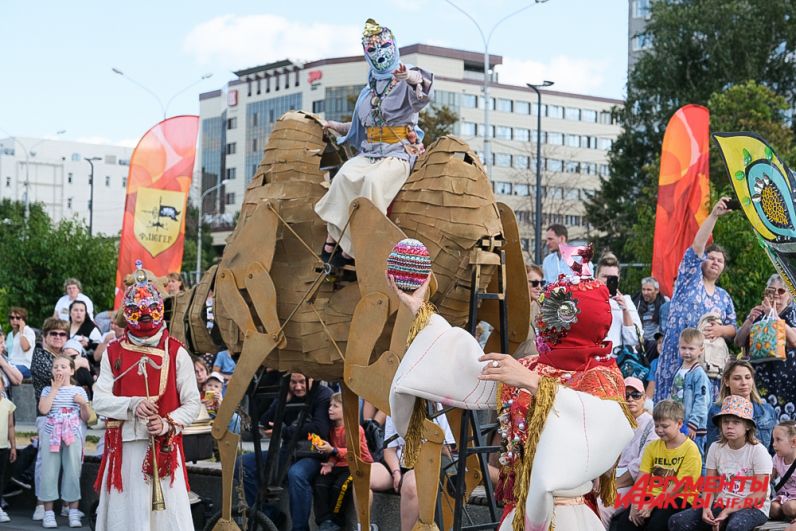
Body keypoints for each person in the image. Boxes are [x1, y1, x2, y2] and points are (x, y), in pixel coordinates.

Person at [315, 18, 433, 265]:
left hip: (399, 153)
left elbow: (421, 90)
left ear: (394, 46)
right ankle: (335, 239)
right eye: (372, 49)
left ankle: (357, 249)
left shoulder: (404, 78)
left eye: (384, 46)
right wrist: (334, 126)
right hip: (369, 154)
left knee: (372, 183)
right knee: (344, 177)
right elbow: (361, 127)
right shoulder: (368, 90)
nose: (379, 54)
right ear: (365, 54)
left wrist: (408, 76)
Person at [92, 262, 200, 531]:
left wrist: (167, 423)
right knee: (126, 517)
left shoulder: (177, 352)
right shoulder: (113, 352)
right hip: (126, 448)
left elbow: (193, 403)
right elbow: (99, 400)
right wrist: (133, 404)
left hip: (163, 447)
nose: (143, 318)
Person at [654, 197, 737, 402]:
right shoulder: (689, 280)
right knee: (670, 413)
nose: (715, 262)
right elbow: (697, 247)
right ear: (702, 262)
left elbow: (734, 328)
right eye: (711, 258)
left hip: (707, 366)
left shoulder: (723, 297)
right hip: (676, 357)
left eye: (720, 261)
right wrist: (714, 216)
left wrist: (721, 330)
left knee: (700, 415)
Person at [234, 372, 332, 531]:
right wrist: (280, 402)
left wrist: (284, 431)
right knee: (242, 465)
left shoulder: (323, 395)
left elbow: (319, 428)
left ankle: (300, 528)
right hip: (287, 451)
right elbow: (265, 421)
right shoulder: (287, 393)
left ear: (312, 378)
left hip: (314, 453)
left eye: (302, 382)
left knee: (297, 474)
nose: (298, 387)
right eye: (293, 382)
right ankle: (268, 516)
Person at [668, 395, 772, 530]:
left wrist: (728, 510)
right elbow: (710, 485)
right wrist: (706, 508)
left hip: (753, 507)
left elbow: (760, 494)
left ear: (747, 426)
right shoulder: (716, 447)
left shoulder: (758, 451)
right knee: (677, 521)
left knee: (735, 526)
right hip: (722, 502)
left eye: (736, 422)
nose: (729, 426)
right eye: (725, 422)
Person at [609, 400, 701, 530]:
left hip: (678, 497)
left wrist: (651, 505)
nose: (659, 430)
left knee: (655, 525)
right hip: (651, 494)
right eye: (656, 426)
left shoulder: (690, 449)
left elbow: (679, 485)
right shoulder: (652, 447)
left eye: (664, 426)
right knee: (626, 523)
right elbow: (643, 477)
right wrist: (635, 503)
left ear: (679, 424)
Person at [370, 411, 455, 531]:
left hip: (422, 465)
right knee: (363, 474)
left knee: (411, 486)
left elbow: (447, 450)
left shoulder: (435, 407)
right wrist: (396, 472)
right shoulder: (394, 406)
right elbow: (389, 450)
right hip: (396, 463)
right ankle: (363, 526)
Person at [38, 354, 90, 528]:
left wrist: (83, 404)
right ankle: (48, 512)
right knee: (49, 471)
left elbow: (87, 417)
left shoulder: (79, 391)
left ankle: (73, 512)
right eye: (56, 367)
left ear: (72, 370)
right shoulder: (47, 390)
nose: (59, 369)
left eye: (63, 366)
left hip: (72, 433)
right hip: (51, 432)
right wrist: (55, 389)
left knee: (73, 470)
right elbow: (44, 410)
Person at [736, 273, 796, 424]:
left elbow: (794, 340)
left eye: (781, 291)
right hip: (761, 378)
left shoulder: (793, 313)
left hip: (788, 380)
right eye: (771, 291)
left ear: (789, 295)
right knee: (760, 422)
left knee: (786, 429)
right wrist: (750, 320)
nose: (776, 294)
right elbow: (739, 341)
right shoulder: (759, 313)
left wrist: (774, 316)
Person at [599, 377, 658, 526]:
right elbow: (604, 454)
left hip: (634, 482)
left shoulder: (652, 425)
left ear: (644, 398)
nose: (631, 399)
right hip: (610, 477)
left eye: (636, 395)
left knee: (602, 508)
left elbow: (642, 464)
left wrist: (614, 485)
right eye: (626, 396)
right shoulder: (617, 422)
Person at [312, 392, 372, 531]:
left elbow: (357, 453)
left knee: (340, 487)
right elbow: (335, 452)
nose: (330, 409)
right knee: (320, 483)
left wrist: (332, 450)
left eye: (335, 406)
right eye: (329, 406)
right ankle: (324, 521)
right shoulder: (332, 430)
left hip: (357, 465)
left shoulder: (355, 429)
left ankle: (336, 521)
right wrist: (330, 463)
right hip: (340, 465)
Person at [30, 317, 68, 521]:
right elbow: (60, 380)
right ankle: (40, 503)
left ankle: (65, 503)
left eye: (62, 334)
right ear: (45, 336)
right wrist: (77, 365)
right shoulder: (40, 355)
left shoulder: (65, 356)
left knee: (67, 462)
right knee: (45, 462)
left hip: (69, 416)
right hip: (47, 416)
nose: (58, 337)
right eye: (53, 333)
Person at [706, 360, 776, 451]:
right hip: (728, 463)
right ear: (727, 381)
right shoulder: (716, 411)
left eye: (748, 377)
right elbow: (713, 449)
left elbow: (774, 449)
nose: (744, 383)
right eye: (737, 378)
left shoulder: (767, 410)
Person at [669, 328, 710, 457]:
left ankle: (700, 478)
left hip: (693, 426)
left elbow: (701, 401)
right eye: (683, 348)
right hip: (678, 423)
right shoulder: (680, 370)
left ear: (700, 350)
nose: (687, 352)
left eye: (691, 349)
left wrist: (693, 424)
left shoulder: (698, 374)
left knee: (695, 456)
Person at [595, 253, 643, 351]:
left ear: (619, 278)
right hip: (592, 359)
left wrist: (625, 310)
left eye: (612, 278)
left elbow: (634, 340)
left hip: (616, 360)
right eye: (604, 276)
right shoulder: (587, 300)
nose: (607, 281)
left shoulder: (626, 301)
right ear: (596, 276)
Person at [631, 277, 669, 358]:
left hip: (656, 342)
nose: (645, 292)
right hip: (641, 342)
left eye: (649, 290)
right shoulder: (636, 302)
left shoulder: (665, 302)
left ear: (657, 290)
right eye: (643, 289)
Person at [771, 420, 796, 523]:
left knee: (789, 507)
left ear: (793, 442)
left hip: (793, 501)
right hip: (784, 496)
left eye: (778, 440)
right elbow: (768, 478)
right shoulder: (777, 458)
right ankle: (787, 516)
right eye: (773, 440)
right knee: (773, 509)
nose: (773, 444)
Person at [0, 374, 16, 523]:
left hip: (3, 447)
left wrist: (13, 447)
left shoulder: (8, 404)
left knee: (1, 477)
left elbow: (11, 426)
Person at [6, 306, 35, 378]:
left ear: (23, 320)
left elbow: (25, 348)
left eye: (18, 318)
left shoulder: (28, 331)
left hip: (25, 366)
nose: (14, 320)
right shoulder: (10, 334)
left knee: (5, 371)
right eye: (12, 317)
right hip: (10, 365)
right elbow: (6, 352)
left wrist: (21, 331)